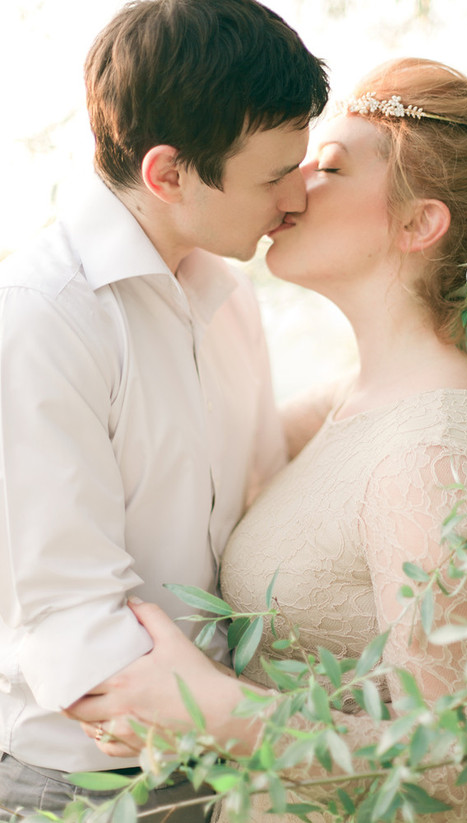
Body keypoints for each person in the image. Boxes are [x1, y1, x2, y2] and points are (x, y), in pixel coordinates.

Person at [67, 58, 467, 822]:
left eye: (330, 165)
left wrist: (209, 706)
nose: (294, 184)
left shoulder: (435, 457)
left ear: (417, 223)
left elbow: (460, 767)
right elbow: (180, 458)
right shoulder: (354, 398)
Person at [0, 0, 329, 819]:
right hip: (75, 786)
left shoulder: (226, 295)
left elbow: (254, 493)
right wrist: (255, 727)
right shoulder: (43, 319)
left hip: (216, 766)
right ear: (168, 174)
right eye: (272, 176)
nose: (298, 198)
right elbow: (70, 622)